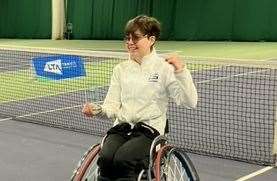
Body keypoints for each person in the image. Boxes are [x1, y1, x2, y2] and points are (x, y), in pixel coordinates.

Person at [82, 15, 198, 181]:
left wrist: (181, 71)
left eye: (135, 37)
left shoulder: (164, 68)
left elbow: (190, 102)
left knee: (124, 159)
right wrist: (97, 110)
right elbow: (112, 106)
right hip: (122, 128)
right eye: (127, 38)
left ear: (151, 39)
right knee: (106, 159)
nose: (130, 42)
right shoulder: (120, 69)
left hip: (150, 130)